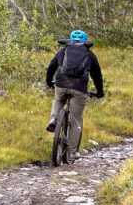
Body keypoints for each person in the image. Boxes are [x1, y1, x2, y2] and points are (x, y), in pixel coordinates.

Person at [45, 30, 104, 162]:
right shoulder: (89, 55)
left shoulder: (63, 51)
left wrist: (49, 82)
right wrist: (100, 92)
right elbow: (97, 76)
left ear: (70, 40)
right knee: (76, 119)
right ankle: (72, 152)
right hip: (79, 88)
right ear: (85, 41)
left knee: (58, 99)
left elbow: (51, 67)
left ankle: (54, 119)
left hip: (61, 84)